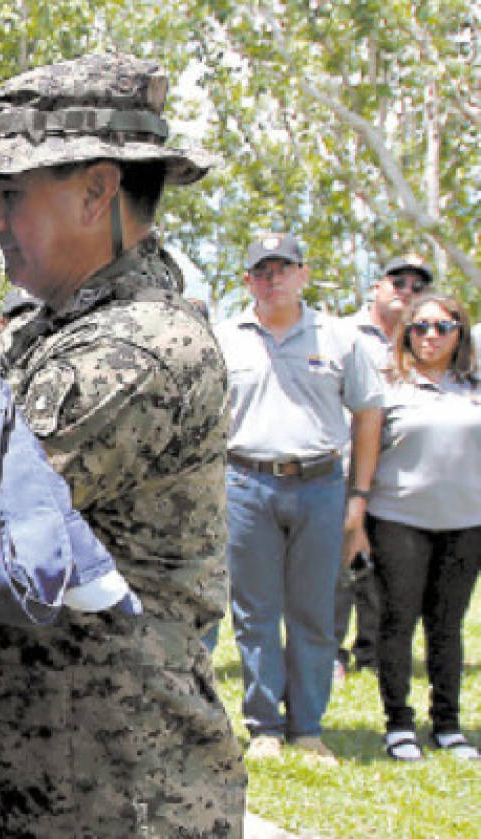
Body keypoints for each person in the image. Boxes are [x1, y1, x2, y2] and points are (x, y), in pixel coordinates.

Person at [0, 53, 245, 836]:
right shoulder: (55, 334)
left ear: (98, 190)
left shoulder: (136, 352)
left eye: (9, 194)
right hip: (60, 786)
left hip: (123, 800)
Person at [216, 232, 384, 765]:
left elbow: (368, 414)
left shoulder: (341, 338)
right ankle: (264, 725)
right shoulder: (225, 339)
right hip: (246, 484)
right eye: (262, 271)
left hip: (320, 485)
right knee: (255, 612)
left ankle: (308, 727)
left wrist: (359, 496)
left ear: (303, 274)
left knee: (313, 613)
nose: (273, 279)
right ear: (248, 281)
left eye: (283, 268)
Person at [362, 294, 481, 762]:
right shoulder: (388, 385)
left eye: (442, 327)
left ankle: (448, 725)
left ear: (459, 333)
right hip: (399, 520)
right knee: (398, 621)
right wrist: (356, 515)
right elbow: (365, 455)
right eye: (420, 327)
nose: (431, 336)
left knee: (447, 626)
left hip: (467, 523)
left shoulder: (472, 385)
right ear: (406, 333)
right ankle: (399, 724)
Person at [333, 252, 433, 676]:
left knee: (387, 567)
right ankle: (331, 651)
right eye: (399, 282)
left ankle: (372, 652)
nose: (407, 291)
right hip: (343, 466)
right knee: (338, 565)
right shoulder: (342, 333)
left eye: (418, 285)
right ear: (377, 287)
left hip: (399, 471)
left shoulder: (428, 339)